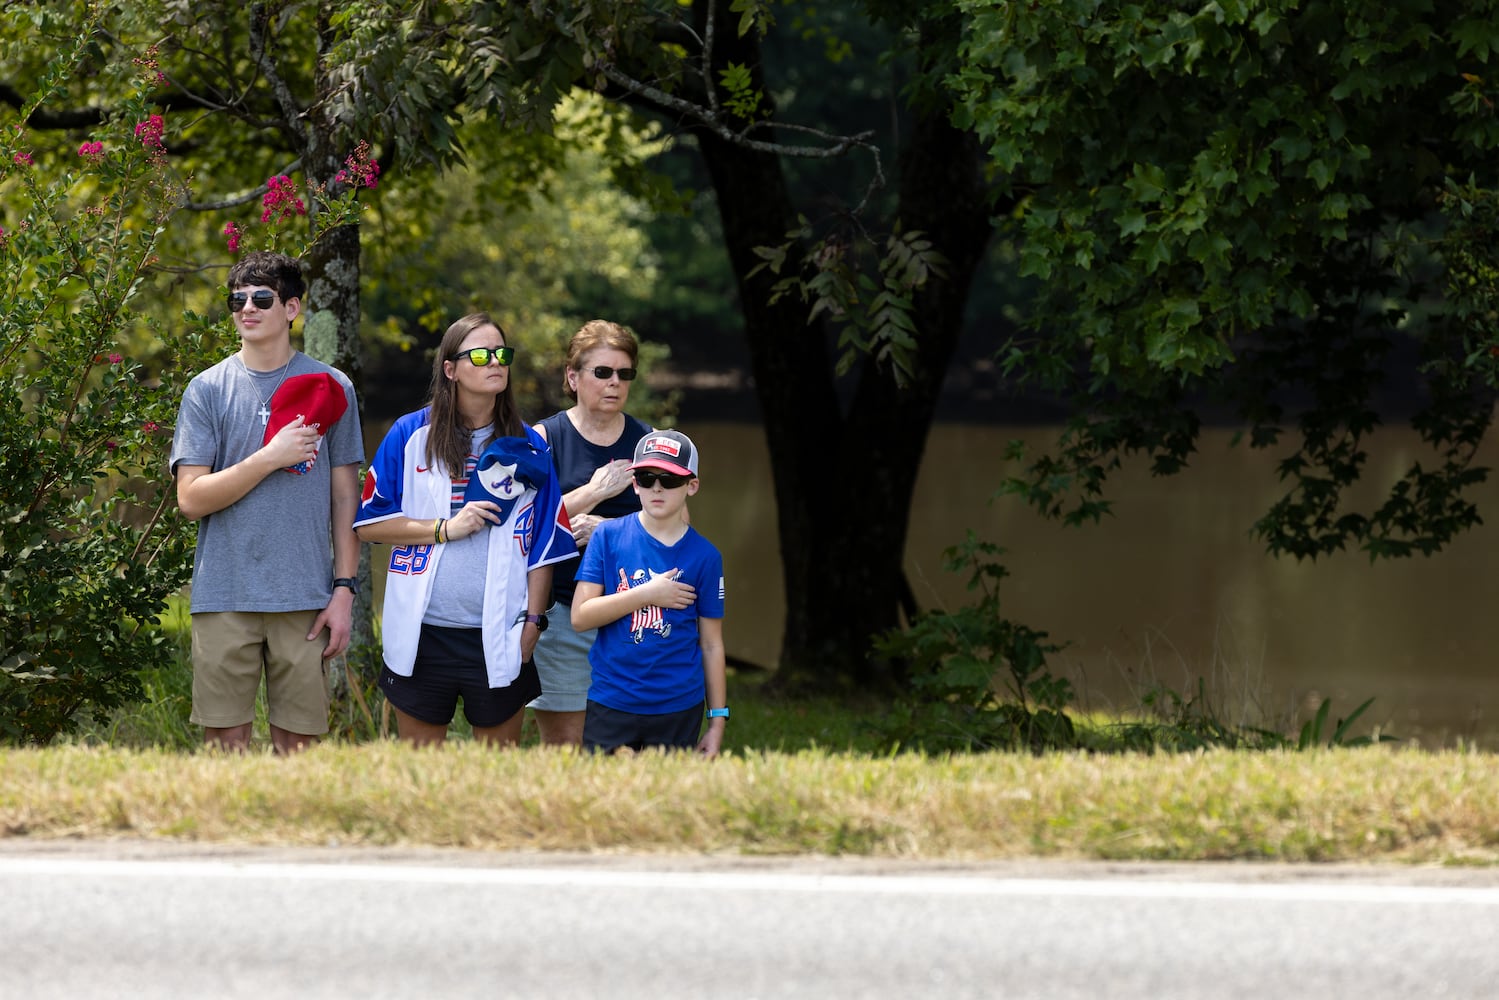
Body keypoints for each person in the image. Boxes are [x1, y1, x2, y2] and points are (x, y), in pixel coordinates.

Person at [170, 250, 364, 753]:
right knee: (224, 743)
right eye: (238, 300)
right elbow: (190, 499)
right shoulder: (206, 389)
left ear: (292, 308)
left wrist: (344, 590)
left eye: (262, 298)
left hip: (304, 595)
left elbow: (346, 498)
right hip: (224, 593)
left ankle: (291, 833)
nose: (247, 309)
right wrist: (271, 457)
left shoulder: (331, 386)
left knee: (299, 747)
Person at [354, 312, 575, 746]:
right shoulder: (410, 434)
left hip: (499, 630)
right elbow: (370, 523)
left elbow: (544, 547)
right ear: (450, 369)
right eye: (480, 353)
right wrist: (445, 528)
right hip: (423, 631)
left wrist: (533, 621)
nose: (495, 361)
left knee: (494, 770)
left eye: (501, 353)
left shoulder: (530, 445)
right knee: (422, 771)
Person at [529, 320, 655, 746]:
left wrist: (611, 531)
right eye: (603, 372)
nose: (615, 383)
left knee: (631, 748)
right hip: (562, 615)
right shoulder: (543, 438)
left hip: (635, 617)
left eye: (625, 374)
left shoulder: (649, 444)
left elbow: (676, 536)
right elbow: (517, 527)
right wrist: (589, 493)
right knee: (567, 746)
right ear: (572, 376)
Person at [572, 429, 728, 757]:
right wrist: (647, 594)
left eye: (669, 479)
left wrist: (717, 723)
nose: (656, 487)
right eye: (646, 477)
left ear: (692, 486)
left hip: (678, 706)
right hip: (612, 700)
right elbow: (580, 616)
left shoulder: (706, 556)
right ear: (634, 484)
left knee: (666, 803)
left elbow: (712, 644)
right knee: (606, 800)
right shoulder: (608, 537)